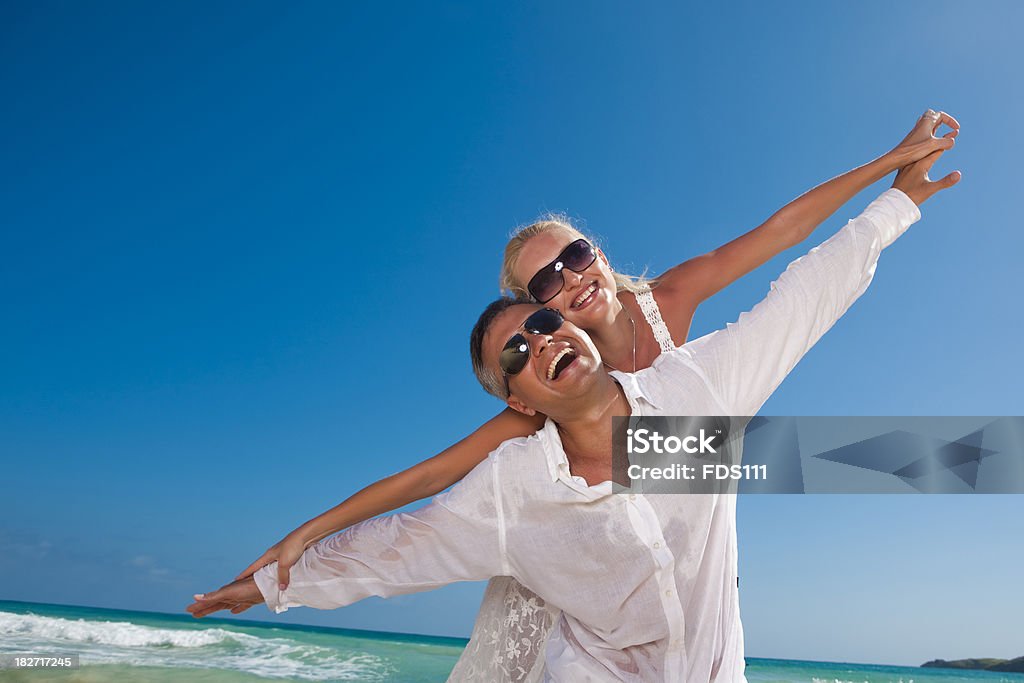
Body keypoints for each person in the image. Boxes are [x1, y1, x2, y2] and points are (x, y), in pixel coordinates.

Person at [187, 120, 959, 681]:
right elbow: (417, 501)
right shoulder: (521, 454)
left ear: (599, 254)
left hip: (678, 462)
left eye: (577, 257)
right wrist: (292, 555)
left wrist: (896, 179)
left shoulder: (677, 327)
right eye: (542, 292)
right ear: (518, 393)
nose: (569, 285)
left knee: (783, 463)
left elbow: (794, 261)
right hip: (567, 535)